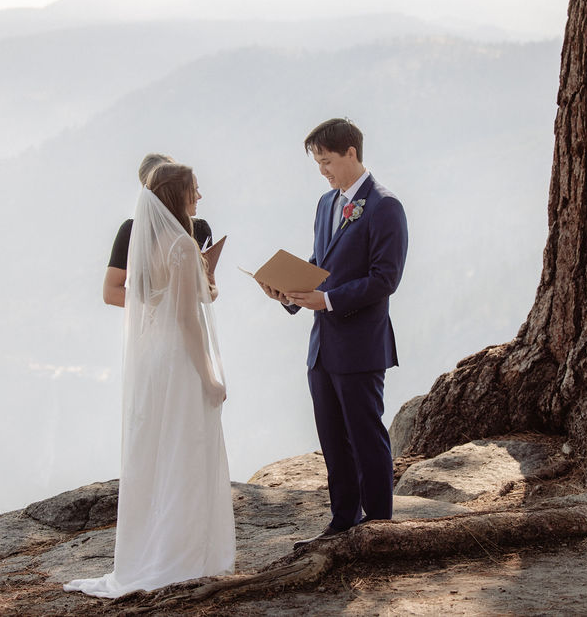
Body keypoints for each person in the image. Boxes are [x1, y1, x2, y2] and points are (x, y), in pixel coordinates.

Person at [65, 163, 234, 598]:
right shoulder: (180, 244)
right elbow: (186, 320)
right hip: (179, 356)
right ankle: (181, 555)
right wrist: (209, 374)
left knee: (159, 448)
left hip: (156, 355)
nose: (199, 197)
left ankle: (155, 549)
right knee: (185, 447)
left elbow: (161, 300)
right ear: (178, 196)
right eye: (194, 190)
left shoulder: (151, 242)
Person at [259, 118, 408, 547]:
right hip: (322, 345)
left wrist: (329, 301)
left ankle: (378, 524)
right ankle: (343, 518)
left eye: (327, 161)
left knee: (365, 433)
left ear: (351, 154)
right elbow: (318, 267)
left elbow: (385, 279)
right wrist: (286, 292)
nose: (322, 171)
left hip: (361, 342)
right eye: (317, 163)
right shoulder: (326, 204)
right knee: (331, 435)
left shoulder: (385, 206)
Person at [104, 154, 213, 307]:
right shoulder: (131, 231)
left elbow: (207, 293)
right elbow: (110, 292)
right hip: (151, 325)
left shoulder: (200, 230)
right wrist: (162, 311)